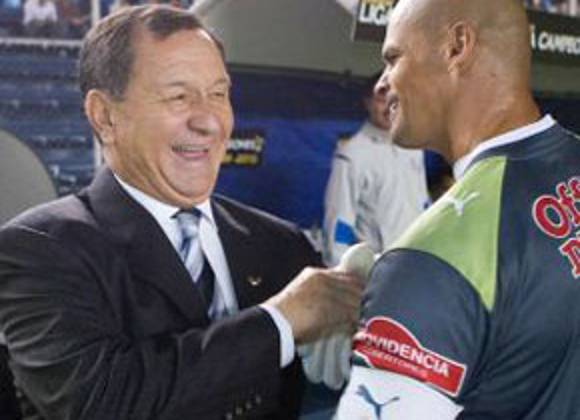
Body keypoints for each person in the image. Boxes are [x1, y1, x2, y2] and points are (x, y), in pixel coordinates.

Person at [0, 5, 363, 420]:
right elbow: (100, 403)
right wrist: (280, 321)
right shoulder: (39, 249)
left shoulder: (281, 247)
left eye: (219, 94)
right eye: (178, 97)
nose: (209, 121)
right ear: (105, 116)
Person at [336, 0, 580, 418]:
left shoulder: (428, 261)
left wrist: (406, 297)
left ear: (457, 46)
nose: (382, 83)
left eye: (393, 58)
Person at [322, 73, 429, 267]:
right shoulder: (352, 154)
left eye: (395, 99)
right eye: (381, 99)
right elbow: (339, 222)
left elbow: (422, 204)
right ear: (368, 103)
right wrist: (337, 271)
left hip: (416, 262)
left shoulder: (413, 147)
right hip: (377, 268)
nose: (389, 106)